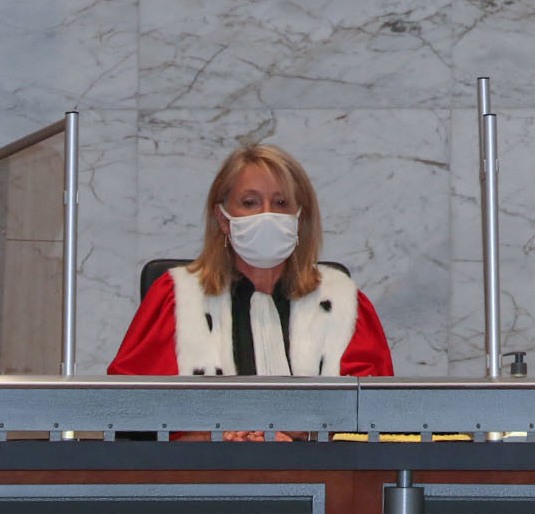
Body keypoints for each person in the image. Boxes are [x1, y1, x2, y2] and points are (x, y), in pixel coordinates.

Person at [110, 144, 392, 440]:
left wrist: (305, 435)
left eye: (281, 203)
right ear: (223, 219)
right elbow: (127, 418)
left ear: (300, 218)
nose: (267, 215)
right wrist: (211, 437)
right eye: (250, 202)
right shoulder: (177, 298)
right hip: (205, 469)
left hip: (315, 470)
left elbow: (380, 422)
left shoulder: (342, 304)